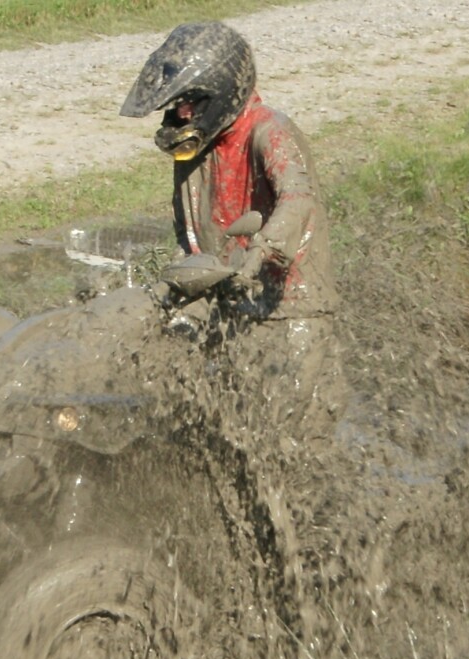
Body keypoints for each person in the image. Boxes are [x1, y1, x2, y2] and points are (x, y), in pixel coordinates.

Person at [120, 20, 343, 433]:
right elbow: (189, 235)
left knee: (282, 429)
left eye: (191, 101)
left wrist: (261, 250)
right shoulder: (196, 148)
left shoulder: (269, 131)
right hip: (232, 304)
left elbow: (298, 198)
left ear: (222, 93)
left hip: (292, 307)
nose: (181, 113)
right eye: (176, 104)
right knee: (209, 414)